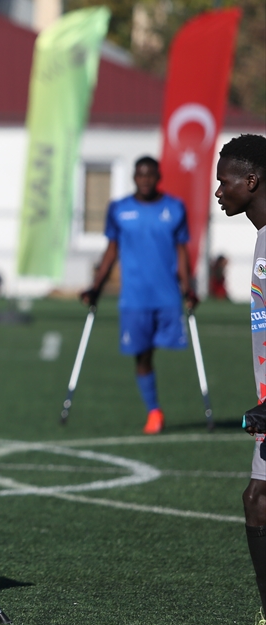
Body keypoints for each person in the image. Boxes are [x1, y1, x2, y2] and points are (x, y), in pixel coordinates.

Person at [81, 156, 195, 435]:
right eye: (140, 175)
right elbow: (111, 251)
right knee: (142, 356)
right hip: (134, 299)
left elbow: (181, 251)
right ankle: (154, 411)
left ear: (158, 177)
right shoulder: (119, 209)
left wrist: (188, 287)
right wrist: (96, 286)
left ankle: (164, 408)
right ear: (134, 177)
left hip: (167, 296)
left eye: (150, 175)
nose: (145, 180)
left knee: (167, 352)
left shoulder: (174, 208)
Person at [211, 133, 266, 625]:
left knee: (259, 501)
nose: (217, 190)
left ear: (251, 181)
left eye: (225, 180)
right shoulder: (260, 236)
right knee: (257, 500)